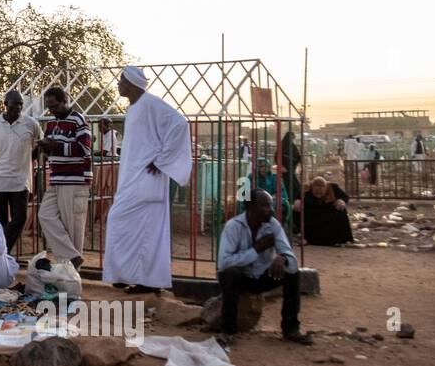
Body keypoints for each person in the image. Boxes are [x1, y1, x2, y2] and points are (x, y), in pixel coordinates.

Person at [102, 67, 193, 293]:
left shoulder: (151, 103)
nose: (118, 84)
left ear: (132, 84)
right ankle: (125, 274)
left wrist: (162, 160)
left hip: (146, 180)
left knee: (146, 231)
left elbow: (180, 124)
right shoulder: (134, 108)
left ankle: (147, 282)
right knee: (121, 222)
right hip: (132, 180)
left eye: (121, 80)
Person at [215, 189, 313, 346]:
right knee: (230, 273)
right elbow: (224, 263)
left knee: (292, 273)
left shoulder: (273, 225)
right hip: (242, 277)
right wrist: (256, 250)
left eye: (271, 205)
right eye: (266, 206)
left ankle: (290, 329)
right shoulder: (233, 226)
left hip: (263, 276)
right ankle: (228, 332)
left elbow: (292, 261)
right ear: (251, 207)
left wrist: (283, 259)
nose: (271, 209)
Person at [35, 86, 92, 269]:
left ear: (64, 101)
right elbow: (54, 147)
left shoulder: (78, 120)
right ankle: (71, 257)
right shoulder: (51, 124)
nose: (51, 110)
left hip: (75, 179)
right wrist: (46, 146)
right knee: (45, 215)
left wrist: (55, 145)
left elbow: (85, 149)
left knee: (72, 227)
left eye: (54, 105)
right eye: (49, 106)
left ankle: (72, 273)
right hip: (57, 178)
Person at [0, 90, 41, 253]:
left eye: (20, 104)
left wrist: (30, 158)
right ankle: (0, 255)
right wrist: (2, 160)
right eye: (13, 104)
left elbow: (40, 143)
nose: (17, 108)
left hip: (20, 181)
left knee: (20, 219)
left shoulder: (31, 123)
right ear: (5, 105)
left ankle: (2, 251)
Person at [298, 177, 354, 246]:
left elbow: (345, 197)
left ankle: (342, 239)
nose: (319, 193)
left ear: (326, 188)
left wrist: (341, 201)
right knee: (296, 209)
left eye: (321, 191)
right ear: (312, 188)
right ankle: (304, 238)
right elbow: (297, 198)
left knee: (341, 209)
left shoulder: (333, 187)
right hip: (312, 215)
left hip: (328, 213)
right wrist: (297, 201)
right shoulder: (306, 188)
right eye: (316, 191)